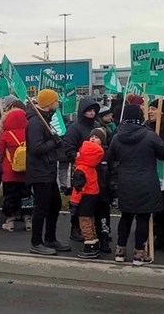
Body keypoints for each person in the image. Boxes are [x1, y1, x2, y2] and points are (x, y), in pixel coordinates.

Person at [110, 104, 164, 265]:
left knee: (125, 217)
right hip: (147, 182)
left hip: (125, 181)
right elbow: (162, 155)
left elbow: (111, 157)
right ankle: (139, 253)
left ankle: (120, 251)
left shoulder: (117, 136)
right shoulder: (150, 136)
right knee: (143, 217)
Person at [26, 89, 71, 255]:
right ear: (49, 103)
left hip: (48, 170)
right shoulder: (36, 122)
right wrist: (54, 142)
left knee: (55, 205)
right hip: (40, 171)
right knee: (42, 208)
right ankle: (36, 242)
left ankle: (50, 238)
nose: (58, 103)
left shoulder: (45, 119)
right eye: (56, 101)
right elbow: (36, 148)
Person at [64, 97, 101, 242]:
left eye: (94, 110)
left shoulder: (97, 125)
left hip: (96, 168)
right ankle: (76, 228)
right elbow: (68, 146)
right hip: (81, 169)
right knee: (79, 199)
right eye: (88, 110)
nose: (91, 113)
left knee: (93, 200)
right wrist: (76, 155)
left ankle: (93, 228)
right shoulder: (75, 127)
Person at [0, 107, 32, 232]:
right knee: (27, 195)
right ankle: (28, 218)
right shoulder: (29, 133)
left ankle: (10, 221)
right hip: (26, 171)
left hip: (9, 172)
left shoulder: (6, 135)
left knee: (9, 196)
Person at [70, 139, 105, 259]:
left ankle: (89, 245)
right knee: (91, 221)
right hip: (92, 197)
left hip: (83, 200)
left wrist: (74, 203)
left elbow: (78, 188)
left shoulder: (81, 169)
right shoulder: (92, 168)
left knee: (84, 222)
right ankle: (94, 242)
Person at [146, 99, 164, 251]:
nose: (150, 111)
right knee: (157, 207)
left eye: (153, 108)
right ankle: (158, 236)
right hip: (152, 173)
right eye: (149, 108)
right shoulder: (147, 127)